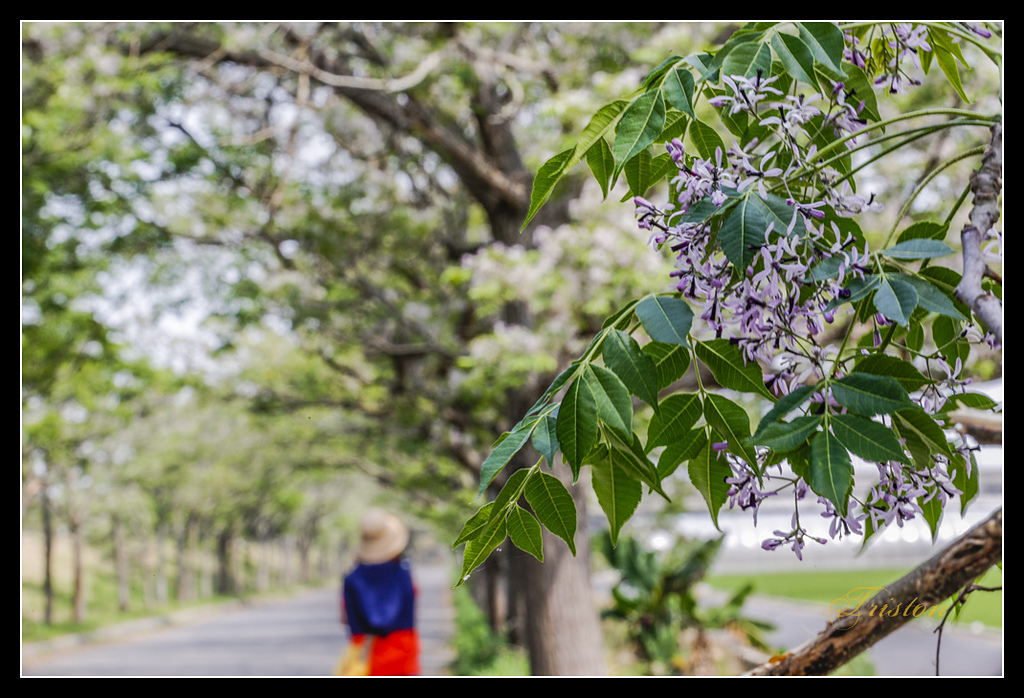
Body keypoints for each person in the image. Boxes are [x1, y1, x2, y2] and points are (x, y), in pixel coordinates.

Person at [339, 508, 420, 676]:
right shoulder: (403, 575)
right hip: (402, 654)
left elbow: (345, 618)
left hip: (364, 655)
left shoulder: (352, 579)